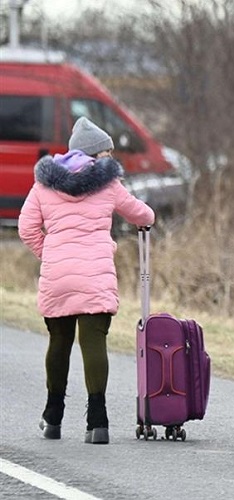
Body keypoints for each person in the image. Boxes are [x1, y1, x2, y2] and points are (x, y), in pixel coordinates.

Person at [18, 117, 156, 444]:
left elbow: (26, 228)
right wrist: (144, 220)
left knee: (59, 343)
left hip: (57, 276)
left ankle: (52, 418)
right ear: (96, 154)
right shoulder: (108, 183)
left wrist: (50, 253)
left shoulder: (44, 184)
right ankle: (98, 422)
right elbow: (143, 215)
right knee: (93, 344)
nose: (111, 156)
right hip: (95, 275)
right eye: (107, 151)